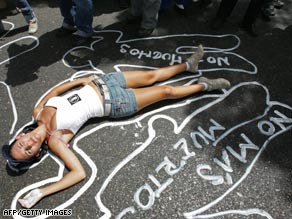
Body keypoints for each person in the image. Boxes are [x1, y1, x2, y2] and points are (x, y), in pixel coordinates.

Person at [2, 45, 231, 208]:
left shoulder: (37, 111)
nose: (28, 144)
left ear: (20, 136)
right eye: (29, 151)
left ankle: (188, 65)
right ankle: (204, 86)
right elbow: (79, 173)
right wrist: (42, 192)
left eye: (21, 145)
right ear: (37, 152)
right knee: (166, 92)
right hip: (116, 104)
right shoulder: (56, 140)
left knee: (152, 75)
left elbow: (54, 92)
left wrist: (80, 82)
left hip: (105, 83)